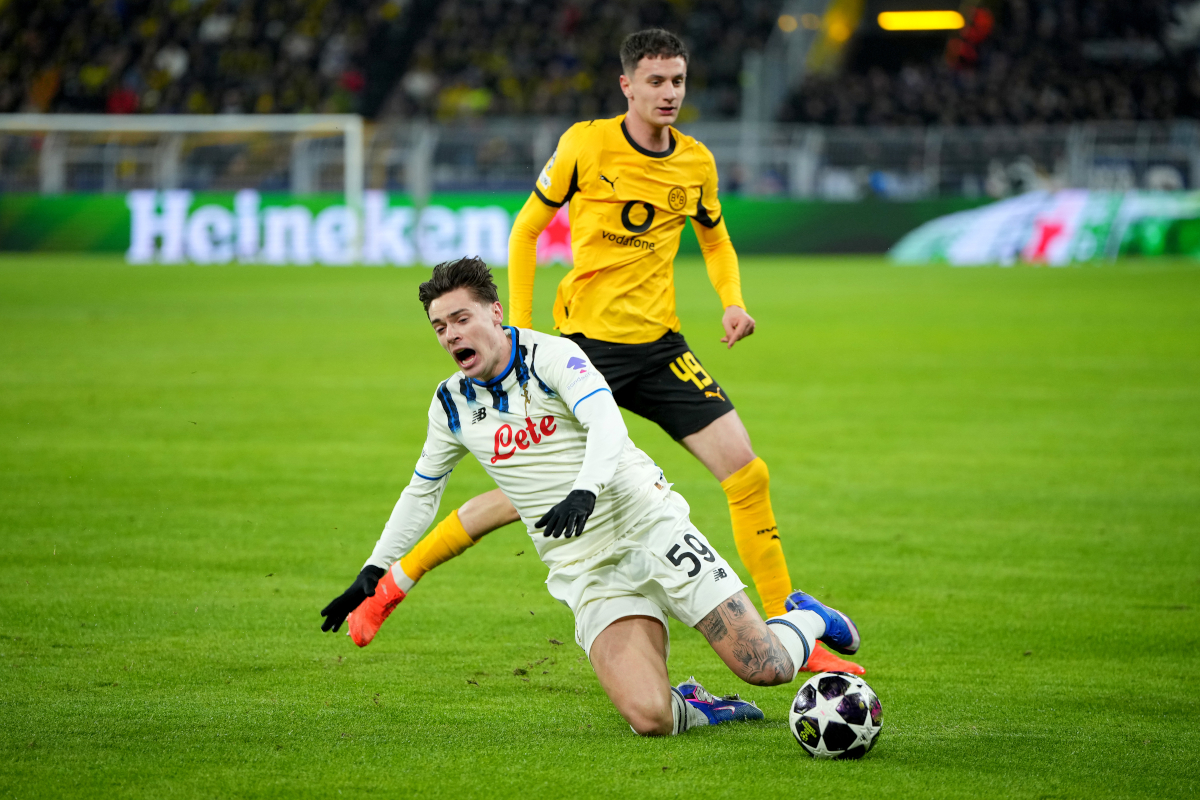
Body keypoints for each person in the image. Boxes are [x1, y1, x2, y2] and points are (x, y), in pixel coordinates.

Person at [347, 28, 863, 676]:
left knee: (746, 471)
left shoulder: (695, 162)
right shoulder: (585, 145)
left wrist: (731, 298)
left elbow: (715, 238)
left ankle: (793, 624)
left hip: (659, 347)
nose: (669, 92)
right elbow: (528, 227)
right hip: (583, 351)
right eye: (655, 81)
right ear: (627, 85)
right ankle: (396, 582)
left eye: (677, 80)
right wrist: (523, 338)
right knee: (525, 493)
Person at [320, 258, 862, 736]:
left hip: (647, 525)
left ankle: (809, 618)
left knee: (765, 666)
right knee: (650, 719)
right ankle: (700, 705)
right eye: (439, 327)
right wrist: (375, 570)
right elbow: (422, 490)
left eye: (461, 318)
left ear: (494, 313)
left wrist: (586, 490)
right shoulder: (452, 406)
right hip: (582, 567)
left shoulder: (552, 357)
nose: (450, 334)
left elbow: (605, 420)